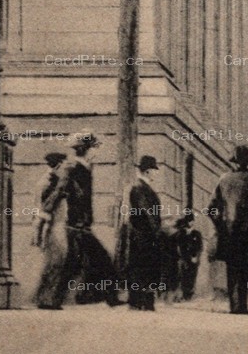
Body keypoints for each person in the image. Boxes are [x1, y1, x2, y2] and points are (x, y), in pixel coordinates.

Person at [208, 144, 248, 315]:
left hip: (230, 234)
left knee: (233, 269)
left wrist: (221, 225)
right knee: (247, 269)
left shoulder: (224, 180)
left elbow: (211, 208)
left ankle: (234, 306)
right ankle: (241, 305)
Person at [62, 131, 121, 307]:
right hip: (78, 226)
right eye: (93, 148)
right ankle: (107, 298)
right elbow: (73, 196)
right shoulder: (75, 169)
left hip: (80, 225)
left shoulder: (84, 168)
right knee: (102, 261)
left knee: (78, 265)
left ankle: (86, 296)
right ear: (84, 149)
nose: (96, 152)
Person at [117, 155, 167, 311]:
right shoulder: (140, 188)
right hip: (143, 236)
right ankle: (140, 302)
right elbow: (148, 213)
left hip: (143, 236)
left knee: (143, 268)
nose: (156, 173)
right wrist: (157, 231)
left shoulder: (142, 188)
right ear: (147, 171)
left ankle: (142, 301)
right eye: (154, 170)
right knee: (142, 268)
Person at [32, 152, 71, 310]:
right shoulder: (47, 182)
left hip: (57, 225)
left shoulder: (54, 181)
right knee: (54, 262)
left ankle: (48, 298)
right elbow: (42, 209)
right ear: (58, 165)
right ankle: (45, 299)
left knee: (56, 262)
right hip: (52, 226)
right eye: (63, 165)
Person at [174, 212, 203, 302]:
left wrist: (196, 256)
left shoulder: (196, 233)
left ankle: (189, 295)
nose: (191, 223)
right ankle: (183, 294)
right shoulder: (181, 234)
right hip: (184, 257)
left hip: (194, 258)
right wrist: (181, 256)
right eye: (189, 221)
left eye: (192, 221)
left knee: (192, 275)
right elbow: (178, 245)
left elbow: (200, 246)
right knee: (183, 275)